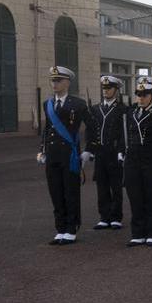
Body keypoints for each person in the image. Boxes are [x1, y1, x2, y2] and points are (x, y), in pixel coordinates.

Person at [37, 66, 96, 246]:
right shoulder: (47, 104)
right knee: (55, 192)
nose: (55, 84)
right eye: (53, 80)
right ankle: (60, 228)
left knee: (70, 192)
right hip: (53, 155)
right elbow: (47, 129)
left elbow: (92, 127)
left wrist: (88, 149)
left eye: (59, 80)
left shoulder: (78, 104)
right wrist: (42, 149)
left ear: (68, 82)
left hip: (70, 154)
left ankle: (71, 229)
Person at [123, 77, 152, 247]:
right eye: (138, 94)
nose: (141, 98)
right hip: (133, 161)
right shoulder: (131, 113)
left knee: (151, 197)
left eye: (144, 95)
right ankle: (137, 233)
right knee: (135, 197)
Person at [90, 75, 128, 230]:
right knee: (102, 185)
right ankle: (104, 216)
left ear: (116, 90)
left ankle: (116, 217)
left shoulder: (123, 109)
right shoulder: (95, 108)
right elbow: (92, 132)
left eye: (109, 88)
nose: (106, 91)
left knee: (116, 186)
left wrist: (121, 150)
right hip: (100, 152)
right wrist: (91, 149)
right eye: (104, 88)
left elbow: (124, 133)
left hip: (114, 152)